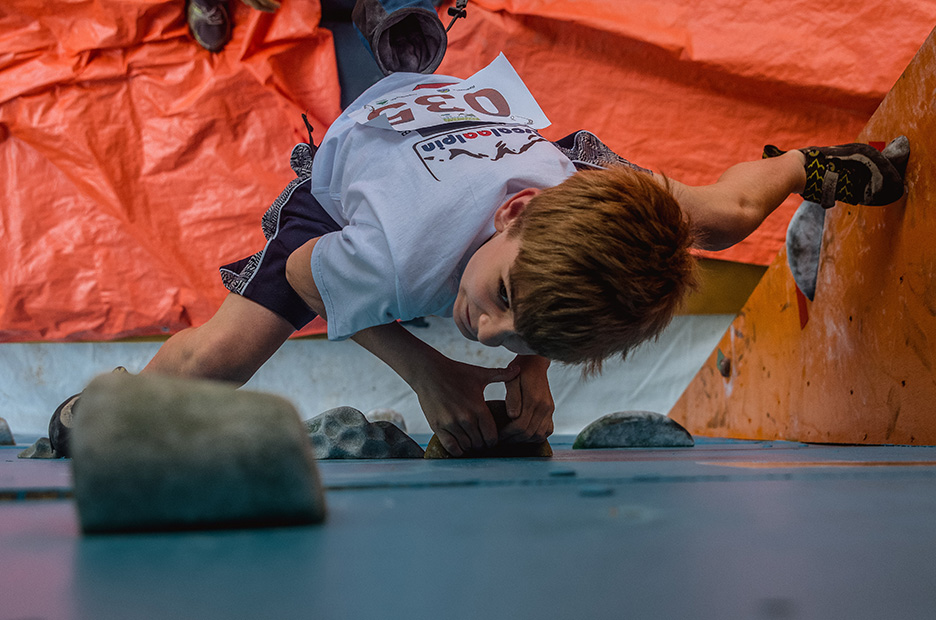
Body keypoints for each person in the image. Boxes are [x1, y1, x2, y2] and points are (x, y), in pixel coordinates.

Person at [48, 58, 907, 457]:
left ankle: (814, 166)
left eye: (507, 330)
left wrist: (535, 358)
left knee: (721, 214)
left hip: (509, 155)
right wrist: (432, 375)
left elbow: (530, 288)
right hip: (363, 174)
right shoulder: (392, 255)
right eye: (499, 298)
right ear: (517, 215)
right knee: (220, 359)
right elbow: (314, 280)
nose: (479, 324)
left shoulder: (569, 200)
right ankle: (94, 408)